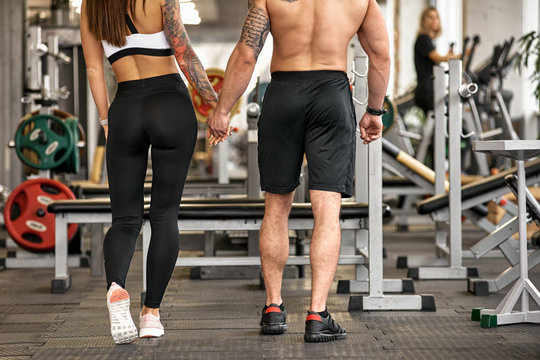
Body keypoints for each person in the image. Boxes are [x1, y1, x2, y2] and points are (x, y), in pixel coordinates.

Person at [207, 0, 390, 343]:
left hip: (283, 95)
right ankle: (317, 314)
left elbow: (247, 54)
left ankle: (274, 308)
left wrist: (222, 110)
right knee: (328, 211)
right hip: (331, 96)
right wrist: (375, 111)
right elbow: (380, 54)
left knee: (276, 208)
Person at [80, 0, 217, 344]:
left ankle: (116, 285)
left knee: (125, 219)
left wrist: (106, 120)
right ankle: (151, 314)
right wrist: (217, 105)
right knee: (164, 214)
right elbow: (184, 53)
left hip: (125, 107)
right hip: (170, 102)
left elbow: (94, 69)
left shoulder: (91, 5)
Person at [414, 6, 460, 114]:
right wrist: (461, 55)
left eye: (436, 17)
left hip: (431, 89)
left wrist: (448, 57)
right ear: (424, 20)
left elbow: (438, 58)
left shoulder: (430, 40)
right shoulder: (423, 39)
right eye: (430, 17)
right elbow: (437, 57)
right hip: (426, 92)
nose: (434, 20)